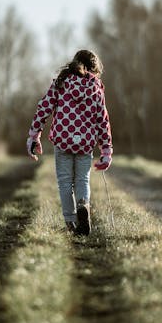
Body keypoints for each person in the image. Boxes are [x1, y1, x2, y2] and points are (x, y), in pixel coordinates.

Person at [26, 49, 113, 235]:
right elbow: (102, 120)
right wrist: (106, 151)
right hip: (85, 143)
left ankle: (70, 222)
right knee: (82, 179)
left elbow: (44, 108)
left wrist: (34, 136)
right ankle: (83, 205)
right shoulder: (96, 88)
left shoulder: (61, 83)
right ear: (94, 68)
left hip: (63, 140)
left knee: (65, 182)